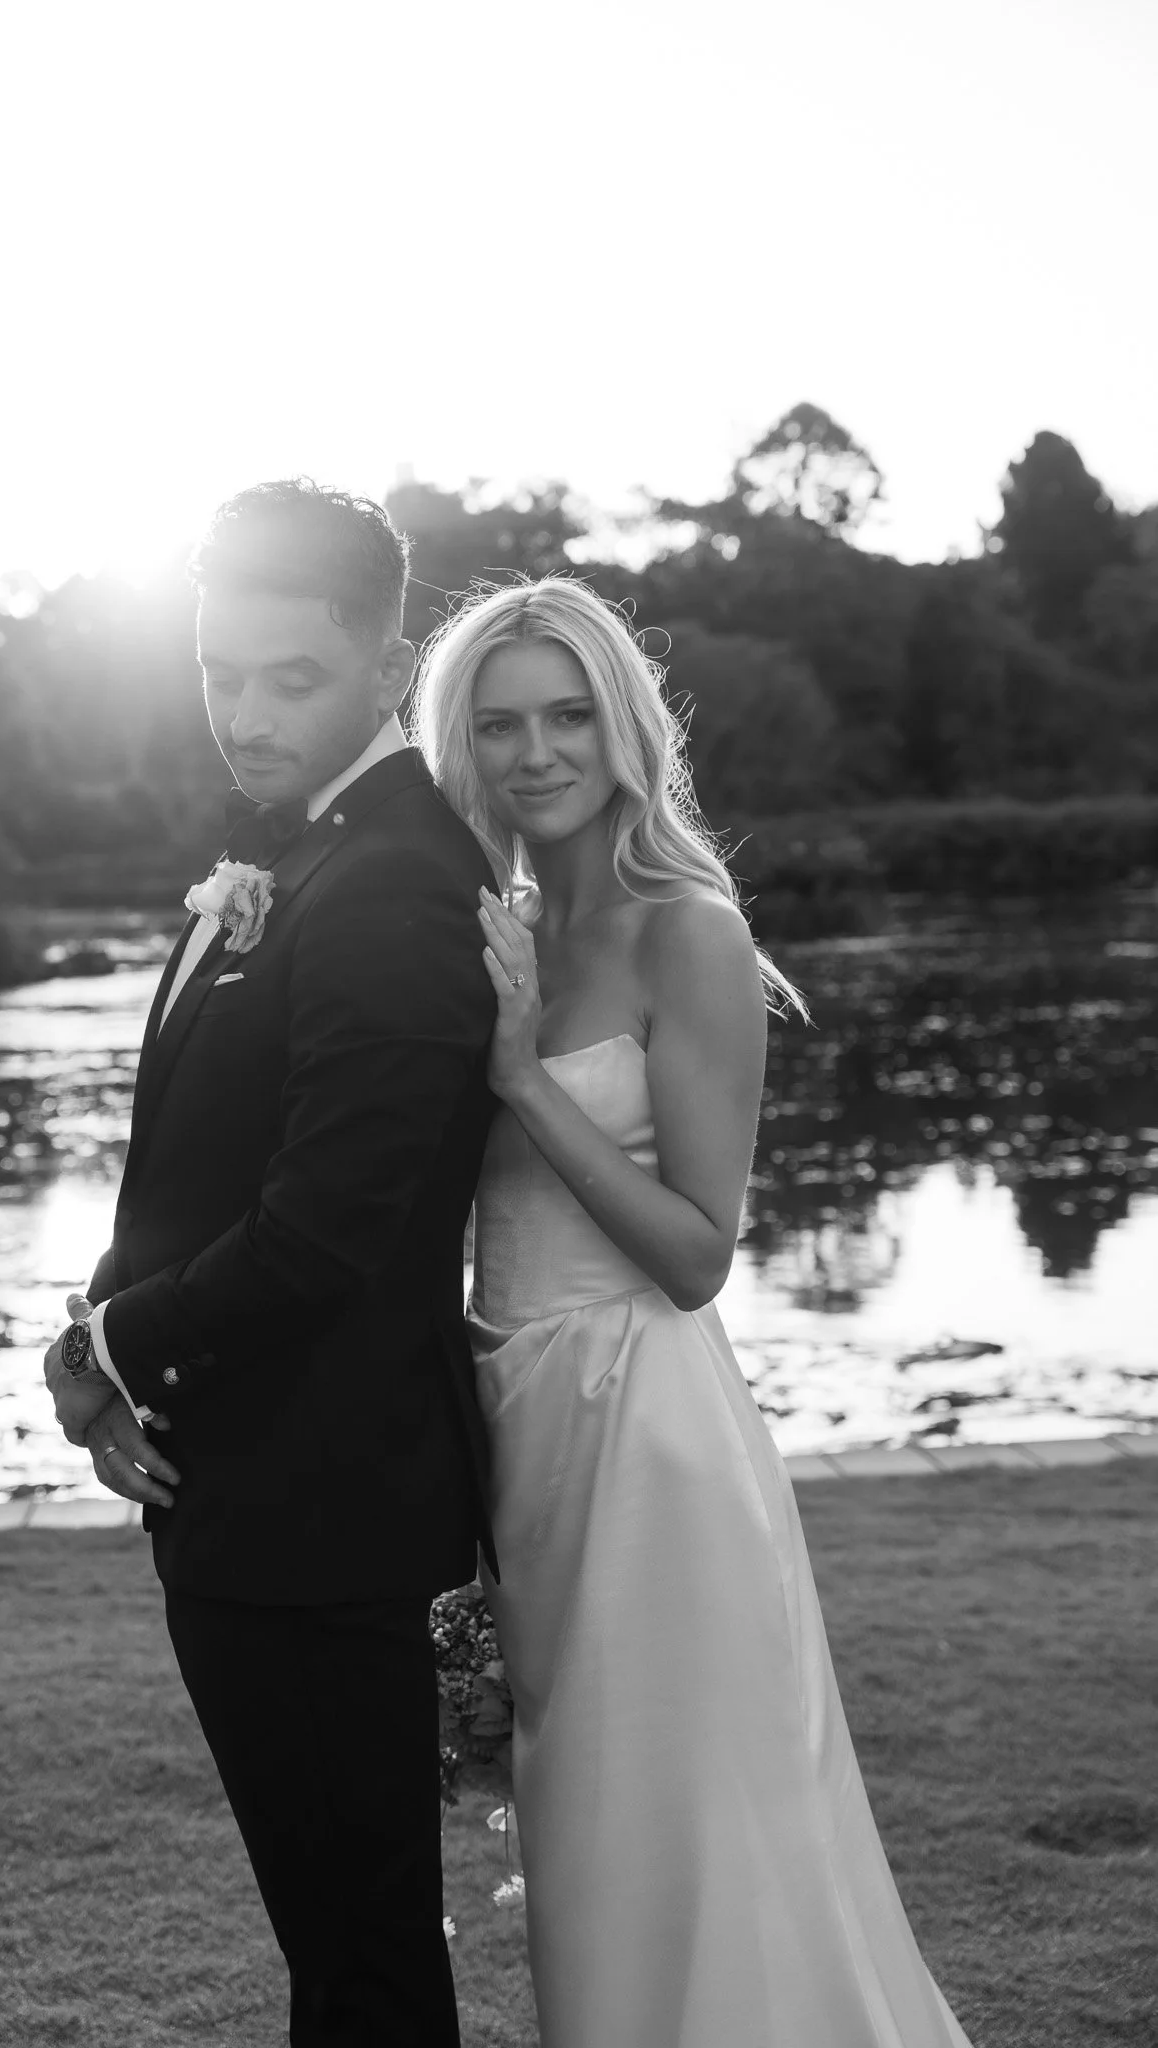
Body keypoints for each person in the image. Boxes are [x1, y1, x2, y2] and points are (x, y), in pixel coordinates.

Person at [413, 576, 974, 2048]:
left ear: (623, 724)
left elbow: (698, 1252)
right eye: (499, 724)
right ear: (461, 748)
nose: (536, 752)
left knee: (696, 1852)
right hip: (521, 1426)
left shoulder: (690, 931)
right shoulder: (502, 926)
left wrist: (526, 1075)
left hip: (652, 1442)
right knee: (586, 1861)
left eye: (567, 714)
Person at [42, 480, 498, 2048]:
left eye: (289, 680)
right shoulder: (293, 854)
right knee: (340, 1951)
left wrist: (108, 1353)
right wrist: (123, 1362)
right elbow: (196, 1170)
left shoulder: (393, 885)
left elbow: (323, 1232)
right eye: (218, 673)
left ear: (382, 658)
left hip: (327, 1524)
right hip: (255, 1496)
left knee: (365, 1964)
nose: (243, 715)